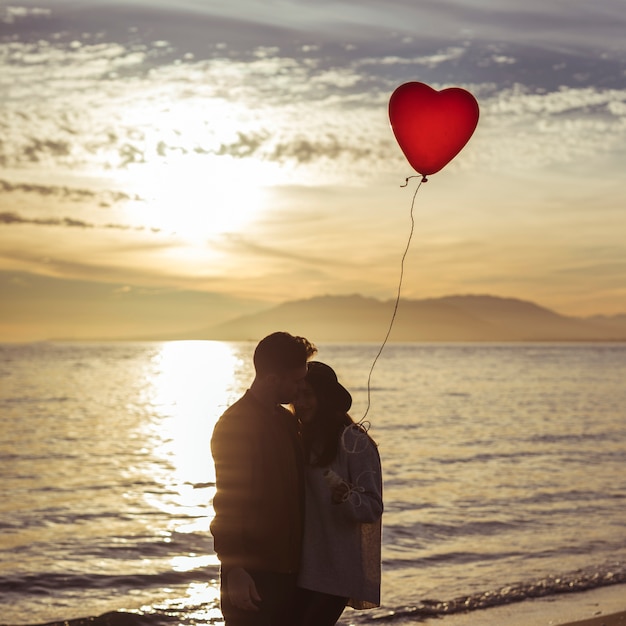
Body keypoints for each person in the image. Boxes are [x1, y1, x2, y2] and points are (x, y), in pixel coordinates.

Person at [210, 331, 317, 626]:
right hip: (252, 577)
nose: (300, 388)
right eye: (296, 381)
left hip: (291, 572)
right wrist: (234, 570)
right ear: (272, 379)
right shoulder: (235, 425)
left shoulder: (286, 421)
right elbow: (228, 503)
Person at [292, 361, 383, 626]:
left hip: (336, 570)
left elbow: (372, 506)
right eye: (296, 394)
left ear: (325, 398)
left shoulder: (354, 441)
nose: (300, 402)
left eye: (307, 394)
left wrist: (345, 497)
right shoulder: (298, 438)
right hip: (301, 567)